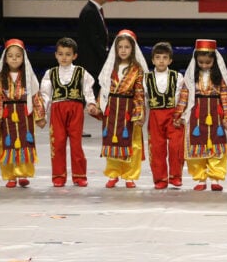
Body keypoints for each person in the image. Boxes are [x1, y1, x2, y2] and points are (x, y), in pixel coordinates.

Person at [40, 37, 99, 188]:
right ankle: (58, 176)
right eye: (60, 54)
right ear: (55, 55)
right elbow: (45, 95)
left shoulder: (81, 72)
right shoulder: (50, 73)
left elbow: (88, 90)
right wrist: (42, 114)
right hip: (57, 110)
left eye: (67, 54)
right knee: (57, 143)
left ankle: (79, 176)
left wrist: (91, 103)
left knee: (76, 144)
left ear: (75, 56)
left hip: (75, 110)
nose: (64, 57)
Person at [175, 39, 227, 191]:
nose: (205, 65)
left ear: (214, 60)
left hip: (215, 115)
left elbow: (225, 97)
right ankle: (200, 179)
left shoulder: (219, 78)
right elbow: (184, 96)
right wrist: (178, 114)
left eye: (208, 62)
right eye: (201, 62)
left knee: (217, 144)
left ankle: (215, 179)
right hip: (196, 115)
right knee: (196, 144)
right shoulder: (191, 78)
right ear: (196, 61)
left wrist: (226, 117)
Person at [0, 39, 46, 188]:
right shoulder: (1, 77)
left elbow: (36, 95)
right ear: (5, 58)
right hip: (7, 116)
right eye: (10, 56)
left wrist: (40, 116)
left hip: (24, 115)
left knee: (25, 143)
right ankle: (10, 176)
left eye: (18, 56)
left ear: (23, 58)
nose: (14, 59)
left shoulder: (28, 76)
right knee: (7, 144)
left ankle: (22, 174)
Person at [98, 30, 147, 188]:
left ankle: (130, 175)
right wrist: (99, 106)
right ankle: (113, 173)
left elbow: (139, 92)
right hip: (112, 109)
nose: (124, 50)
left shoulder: (137, 69)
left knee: (132, 143)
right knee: (112, 141)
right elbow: (104, 89)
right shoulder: (110, 68)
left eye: (127, 47)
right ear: (116, 49)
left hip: (129, 109)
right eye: (120, 47)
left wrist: (139, 113)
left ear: (133, 49)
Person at [145, 42, 186, 190]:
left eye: (165, 57)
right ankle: (160, 178)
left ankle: (176, 176)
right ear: (152, 60)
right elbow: (141, 99)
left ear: (170, 61)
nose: (161, 60)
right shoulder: (146, 78)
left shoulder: (178, 77)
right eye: (158, 57)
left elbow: (182, 98)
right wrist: (139, 115)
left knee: (176, 147)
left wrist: (181, 115)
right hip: (155, 116)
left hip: (173, 115)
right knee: (157, 148)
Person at [77, 0, 110, 96]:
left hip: (96, 63)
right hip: (92, 65)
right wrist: (107, 58)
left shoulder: (94, 10)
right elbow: (94, 40)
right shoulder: (89, 11)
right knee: (93, 98)